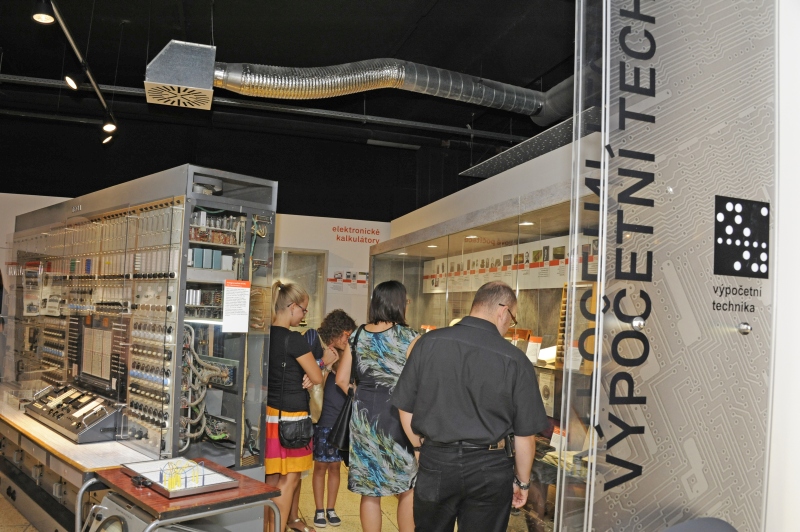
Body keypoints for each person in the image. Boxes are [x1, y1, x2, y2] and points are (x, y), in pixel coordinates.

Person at [393, 281, 548, 532]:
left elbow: (405, 407)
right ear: (503, 311)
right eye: (512, 320)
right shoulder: (515, 360)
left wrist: (420, 449)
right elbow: (524, 435)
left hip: (437, 460)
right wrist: (522, 481)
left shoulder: (428, 343)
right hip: (490, 467)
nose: (509, 326)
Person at [336, 281, 419, 532]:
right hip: (398, 420)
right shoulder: (410, 337)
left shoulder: (358, 335)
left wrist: (360, 395)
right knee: (407, 487)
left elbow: (341, 379)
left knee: (370, 489)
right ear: (399, 303)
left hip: (364, 420)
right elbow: (418, 384)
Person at [266, 281, 338, 532]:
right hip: (293, 419)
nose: (304, 315)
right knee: (290, 479)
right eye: (304, 310)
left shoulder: (266, 335)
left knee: (270, 479)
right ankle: (278, 528)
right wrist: (323, 364)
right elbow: (316, 377)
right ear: (292, 307)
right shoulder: (294, 339)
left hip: (270, 415)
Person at [311, 309, 357, 528]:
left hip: (341, 423)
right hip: (323, 420)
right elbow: (313, 383)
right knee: (320, 467)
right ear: (336, 332)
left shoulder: (348, 357)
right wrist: (326, 365)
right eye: (346, 335)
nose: (348, 340)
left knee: (336, 468)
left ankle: (331, 508)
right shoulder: (321, 352)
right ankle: (319, 509)